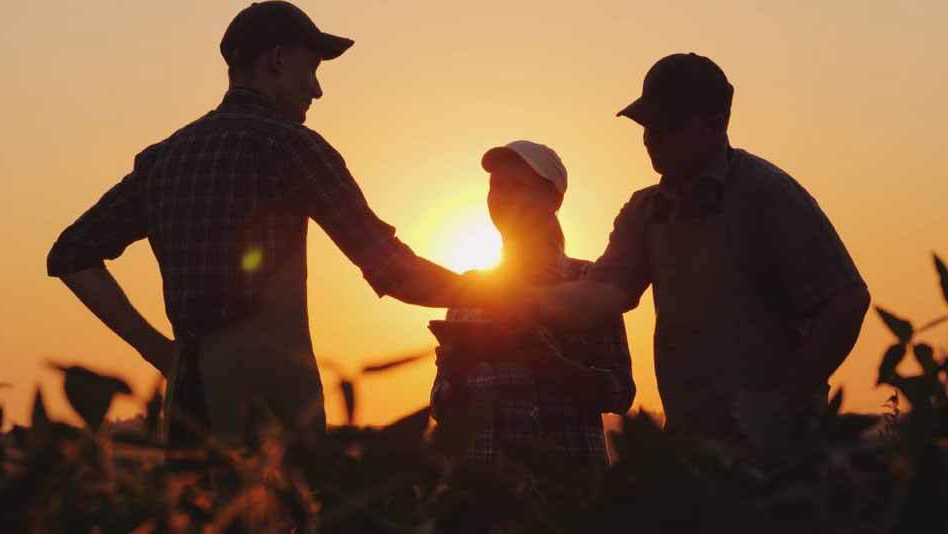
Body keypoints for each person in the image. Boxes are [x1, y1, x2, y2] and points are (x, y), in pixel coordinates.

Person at [46, 1, 472, 449]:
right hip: (274, 409)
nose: (317, 89)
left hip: (189, 405)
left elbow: (72, 255)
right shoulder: (291, 146)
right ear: (276, 60)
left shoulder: (165, 159)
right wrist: (498, 297)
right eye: (311, 68)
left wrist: (157, 351)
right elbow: (393, 271)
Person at [513, 53, 870, 453]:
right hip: (691, 448)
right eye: (646, 125)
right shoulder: (647, 211)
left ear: (717, 125)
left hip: (779, 452)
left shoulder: (767, 194)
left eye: (667, 125)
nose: (650, 137)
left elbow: (846, 301)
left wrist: (785, 401)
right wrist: (507, 298)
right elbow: (603, 293)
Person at [429, 141, 635, 467]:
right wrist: (454, 374)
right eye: (497, 186)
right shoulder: (468, 288)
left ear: (553, 199)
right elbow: (441, 407)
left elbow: (621, 392)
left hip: (568, 486)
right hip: (481, 488)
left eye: (519, 186)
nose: (505, 197)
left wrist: (553, 367)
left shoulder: (588, 282)